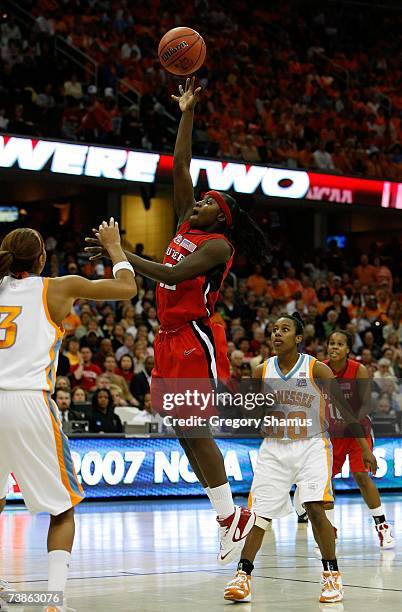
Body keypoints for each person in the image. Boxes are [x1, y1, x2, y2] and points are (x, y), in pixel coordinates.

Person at [85, 77, 269, 564]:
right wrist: (187, 112)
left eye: (212, 203)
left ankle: (233, 515)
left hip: (195, 336)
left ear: (222, 219)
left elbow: (170, 272)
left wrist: (121, 252)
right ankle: (227, 517)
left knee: (194, 425)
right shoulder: (190, 220)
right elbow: (181, 165)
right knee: (181, 428)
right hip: (169, 337)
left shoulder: (217, 246)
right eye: (203, 199)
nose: (202, 201)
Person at [0, 220, 136, 612]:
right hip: (29, 402)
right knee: (62, 509)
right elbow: (127, 288)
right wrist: (114, 248)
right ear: (42, 258)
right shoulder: (58, 287)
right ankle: (53, 601)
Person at [224, 314, 377, 604]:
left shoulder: (316, 369)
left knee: (315, 508)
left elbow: (346, 411)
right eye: (273, 330)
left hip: (312, 445)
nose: (277, 334)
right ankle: (242, 576)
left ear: (297, 338)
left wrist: (365, 448)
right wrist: (254, 407)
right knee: (260, 515)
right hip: (274, 447)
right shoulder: (260, 372)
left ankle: (332, 575)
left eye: (284, 329)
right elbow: (251, 415)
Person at [323, 330, 394, 548]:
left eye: (340, 344)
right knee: (324, 481)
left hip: (357, 432)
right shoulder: (320, 369)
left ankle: (382, 526)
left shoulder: (358, 370)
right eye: (331, 343)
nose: (334, 347)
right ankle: (329, 530)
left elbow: (366, 405)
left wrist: (351, 419)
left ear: (347, 349)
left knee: (361, 476)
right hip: (331, 434)